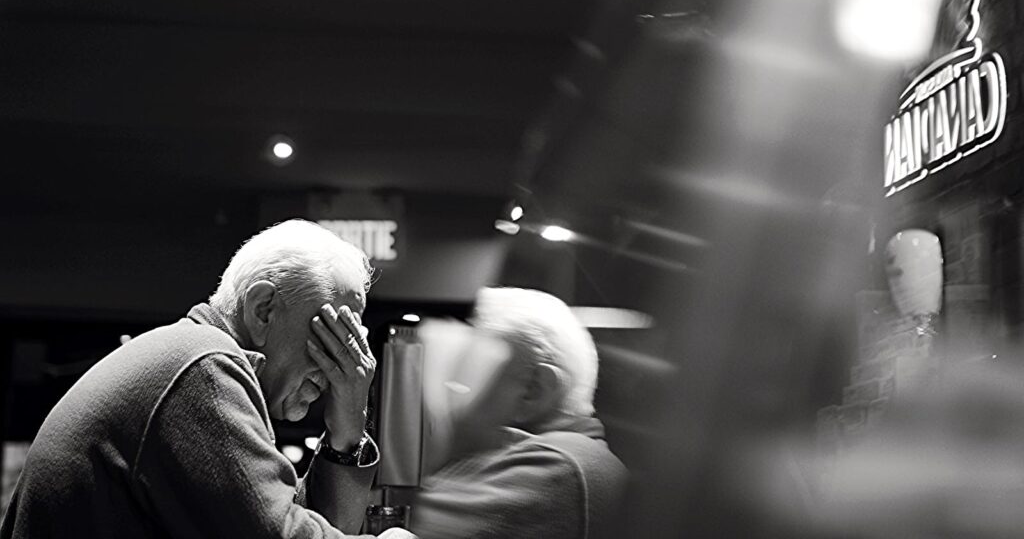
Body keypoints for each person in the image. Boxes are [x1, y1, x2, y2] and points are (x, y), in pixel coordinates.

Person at [1, 219, 414, 539]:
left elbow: (298, 523)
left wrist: (347, 432)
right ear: (264, 308)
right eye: (332, 336)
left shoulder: (194, 357)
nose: (341, 366)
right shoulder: (200, 367)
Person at [411, 287, 627, 539]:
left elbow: (426, 523)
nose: (456, 390)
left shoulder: (554, 466)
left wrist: (445, 434)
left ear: (533, 390)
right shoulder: (583, 457)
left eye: (476, 370)